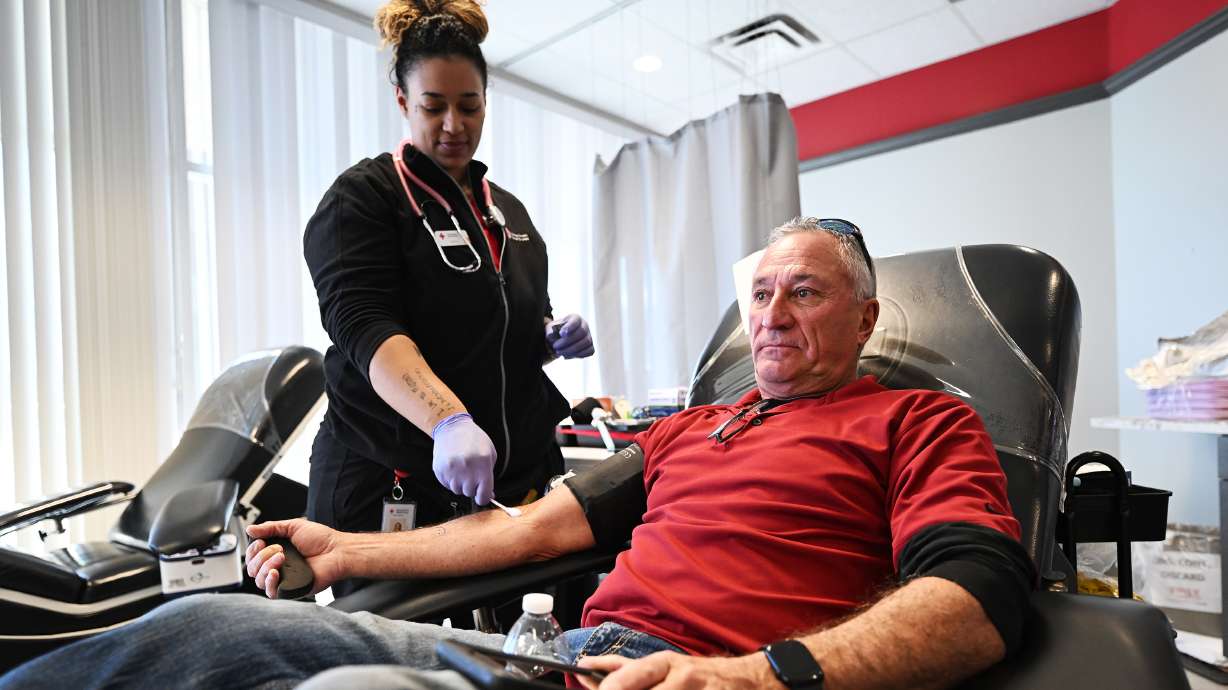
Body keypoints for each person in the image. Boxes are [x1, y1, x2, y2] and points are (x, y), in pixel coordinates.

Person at [0, 218, 1034, 690]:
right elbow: (533, 528)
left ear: (864, 319)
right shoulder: (688, 431)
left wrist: (762, 677)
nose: (770, 316)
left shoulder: (916, 421)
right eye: (758, 293)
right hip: (556, 662)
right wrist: (345, 549)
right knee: (200, 631)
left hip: (703, 677)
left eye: (802, 292)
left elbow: (978, 597)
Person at [302, 0, 594, 579]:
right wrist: (446, 421)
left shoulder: (507, 211)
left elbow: (505, 328)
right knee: (392, 656)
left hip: (509, 483)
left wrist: (549, 336)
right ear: (403, 101)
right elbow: (365, 325)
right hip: (393, 478)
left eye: (470, 106)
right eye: (434, 106)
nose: (454, 125)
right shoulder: (364, 199)